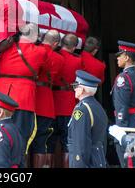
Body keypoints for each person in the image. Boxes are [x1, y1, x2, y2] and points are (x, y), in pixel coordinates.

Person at [0, 23, 48, 159]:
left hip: (1, 96)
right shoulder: (40, 51)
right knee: (20, 138)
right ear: (35, 36)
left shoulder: (5, 48)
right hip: (23, 98)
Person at [30, 29, 64, 168]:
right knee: (42, 141)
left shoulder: (33, 51)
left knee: (25, 140)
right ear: (55, 43)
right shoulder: (60, 59)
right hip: (46, 101)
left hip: (30, 98)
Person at [111, 40, 135, 168]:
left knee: (128, 162)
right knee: (134, 160)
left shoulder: (123, 78)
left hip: (126, 125)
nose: (117, 58)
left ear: (126, 57)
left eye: (119, 55)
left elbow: (122, 106)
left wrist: (120, 128)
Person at [52, 33, 82, 168]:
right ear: (75, 47)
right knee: (67, 141)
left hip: (51, 102)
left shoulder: (54, 56)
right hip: (68, 103)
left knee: (49, 141)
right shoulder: (77, 61)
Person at [68, 70, 108, 168]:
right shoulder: (98, 107)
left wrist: (78, 164)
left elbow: (80, 142)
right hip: (98, 159)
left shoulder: (81, 109)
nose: (74, 89)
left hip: (86, 162)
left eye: (76, 86)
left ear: (82, 89)